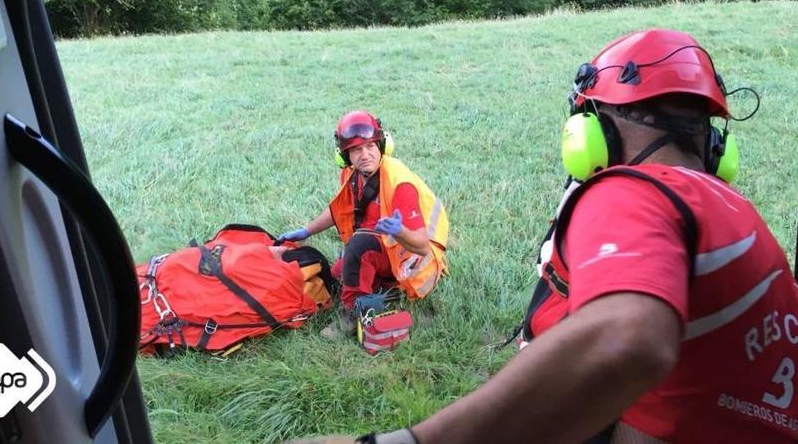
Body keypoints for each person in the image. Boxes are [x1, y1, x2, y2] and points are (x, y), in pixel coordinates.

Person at [287, 29, 798, 443]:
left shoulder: (632, 192)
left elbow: (628, 339)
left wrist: (409, 441)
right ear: (713, 145)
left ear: (595, 133)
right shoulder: (741, 213)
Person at [280, 110, 449, 336]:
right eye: (357, 150)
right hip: (382, 246)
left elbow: (421, 245)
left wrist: (399, 230)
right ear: (344, 156)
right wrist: (306, 231)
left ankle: (352, 315)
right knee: (336, 277)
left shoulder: (399, 183)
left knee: (357, 248)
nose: (365, 155)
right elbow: (340, 208)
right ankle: (383, 289)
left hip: (412, 258)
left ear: (382, 146)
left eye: (370, 146)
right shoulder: (353, 175)